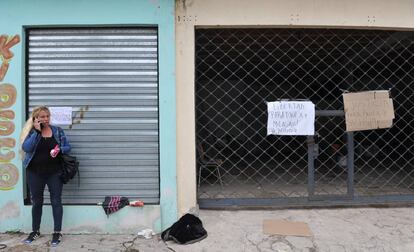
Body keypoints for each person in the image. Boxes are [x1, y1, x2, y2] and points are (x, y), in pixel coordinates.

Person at [20, 106, 71, 247]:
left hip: (54, 172)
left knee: (56, 201)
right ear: (36, 118)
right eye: (42, 117)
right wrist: (37, 131)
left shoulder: (57, 131)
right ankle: (35, 231)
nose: (45, 119)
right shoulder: (31, 132)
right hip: (35, 173)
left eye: (47, 116)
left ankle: (57, 232)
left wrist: (60, 149)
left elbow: (68, 147)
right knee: (37, 202)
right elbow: (27, 148)